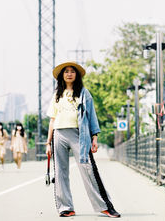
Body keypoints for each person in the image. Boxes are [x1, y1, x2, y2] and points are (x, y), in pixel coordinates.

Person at [46, 62, 121, 218]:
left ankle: (104, 206)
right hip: (59, 134)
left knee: (88, 169)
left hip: (79, 135)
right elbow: (52, 120)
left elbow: (91, 116)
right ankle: (65, 207)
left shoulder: (83, 93)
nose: (69, 74)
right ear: (62, 75)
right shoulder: (57, 95)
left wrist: (95, 137)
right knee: (60, 172)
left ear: (76, 75)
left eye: (72, 71)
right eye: (66, 71)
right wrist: (48, 143)